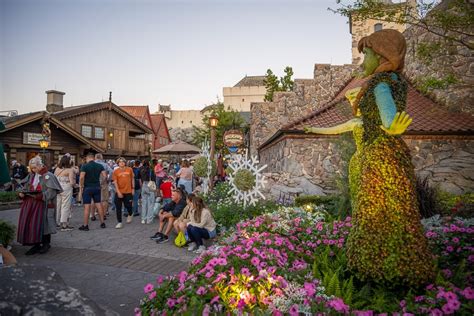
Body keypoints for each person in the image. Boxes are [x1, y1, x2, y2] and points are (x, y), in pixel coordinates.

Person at [304, 29, 434, 286]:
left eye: (368, 55)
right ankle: (407, 267)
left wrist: (391, 126)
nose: (364, 62)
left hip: (377, 158)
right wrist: (392, 129)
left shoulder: (380, 84)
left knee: (373, 214)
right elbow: (371, 119)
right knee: (400, 214)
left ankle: (372, 271)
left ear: (382, 56)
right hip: (394, 157)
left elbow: (387, 115)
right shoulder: (397, 81)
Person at [17, 156, 62, 255]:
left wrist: (41, 196)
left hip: (43, 204)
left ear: (40, 165)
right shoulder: (31, 176)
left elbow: (52, 191)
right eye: (32, 168)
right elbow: (24, 186)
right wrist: (22, 193)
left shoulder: (49, 176)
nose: (33, 170)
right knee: (32, 224)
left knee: (44, 223)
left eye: (34, 168)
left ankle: (46, 244)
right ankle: (35, 244)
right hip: (30, 204)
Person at [79, 152, 107, 231]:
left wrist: (81, 185)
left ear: (87, 158)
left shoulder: (85, 166)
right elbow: (105, 176)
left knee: (87, 206)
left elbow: (81, 177)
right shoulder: (100, 166)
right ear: (93, 158)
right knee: (99, 204)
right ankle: (102, 223)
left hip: (87, 188)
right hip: (97, 187)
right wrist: (101, 183)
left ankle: (85, 225)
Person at [54, 155, 76, 231]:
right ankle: (64, 224)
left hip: (57, 188)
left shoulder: (57, 169)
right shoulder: (70, 170)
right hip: (66, 188)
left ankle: (56, 223)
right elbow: (72, 182)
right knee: (65, 206)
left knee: (58, 205)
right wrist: (75, 185)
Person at [112, 157, 135, 229]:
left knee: (128, 205)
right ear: (118, 163)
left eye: (123, 161)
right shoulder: (115, 171)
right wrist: (118, 192)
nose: (121, 163)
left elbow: (132, 179)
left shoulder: (130, 169)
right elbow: (115, 182)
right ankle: (119, 222)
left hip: (128, 191)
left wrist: (133, 188)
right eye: (120, 162)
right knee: (118, 207)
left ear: (125, 162)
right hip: (119, 191)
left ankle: (130, 214)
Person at [92, 153, 113, 219]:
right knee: (104, 199)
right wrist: (108, 180)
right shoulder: (105, 165)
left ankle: (92, 215)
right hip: (103, 182)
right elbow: (111, 172)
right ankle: (103, 215)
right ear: (101, 158)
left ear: (95, 157)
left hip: (93, 183)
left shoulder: (91, 164)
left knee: (93, 199)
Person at [139, 160, 156, 224]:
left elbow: (139, 178)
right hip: (150, 186)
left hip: (144, 185)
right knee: (150, 203)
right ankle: (149, 219)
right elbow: (154, 179)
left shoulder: (141, 169)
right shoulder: (151, 170)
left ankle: (143, 219)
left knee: (144, 204)